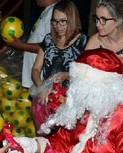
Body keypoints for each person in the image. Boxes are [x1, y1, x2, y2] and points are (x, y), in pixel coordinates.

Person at [31, 0, 87, 129]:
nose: (58, 26)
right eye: (54, 21)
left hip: (70, 104)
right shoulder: (48, 39)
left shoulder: (83, 42)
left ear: (72, 20)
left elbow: (86, 73)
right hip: (46, 101)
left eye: (63, 21)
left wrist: (67, 74)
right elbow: (35, 69)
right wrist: (42, 88)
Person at [85, 0, 123, 103]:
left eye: (103, 19)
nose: (98, 24)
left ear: (118, 20)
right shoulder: (94, 42)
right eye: (96, 18)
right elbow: (83, 75)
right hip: (101, 102)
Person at [6, 0, 59, 88]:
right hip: (35, 78)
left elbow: (51, 46)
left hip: (40, 78)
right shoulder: (47, 11)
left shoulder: (54, 12)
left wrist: (21, 46)